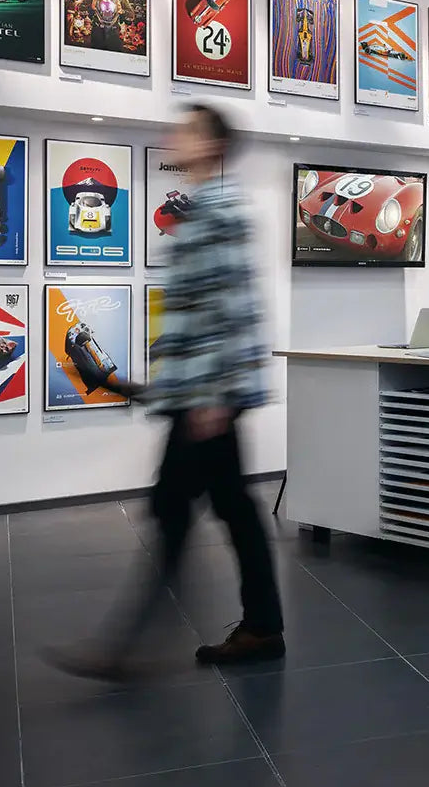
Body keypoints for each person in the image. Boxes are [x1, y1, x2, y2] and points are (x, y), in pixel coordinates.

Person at [43, 104, 283, 679]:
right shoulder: (203, 210)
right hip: (198, 392)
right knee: (229, 507)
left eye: (189, 130)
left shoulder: (220, 212)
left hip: (207, 397)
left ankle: (126, 647)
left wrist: (214, 396)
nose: (176, 136)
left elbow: (232, 308)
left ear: (212, 145)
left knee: (177, 510)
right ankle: (261, 626)